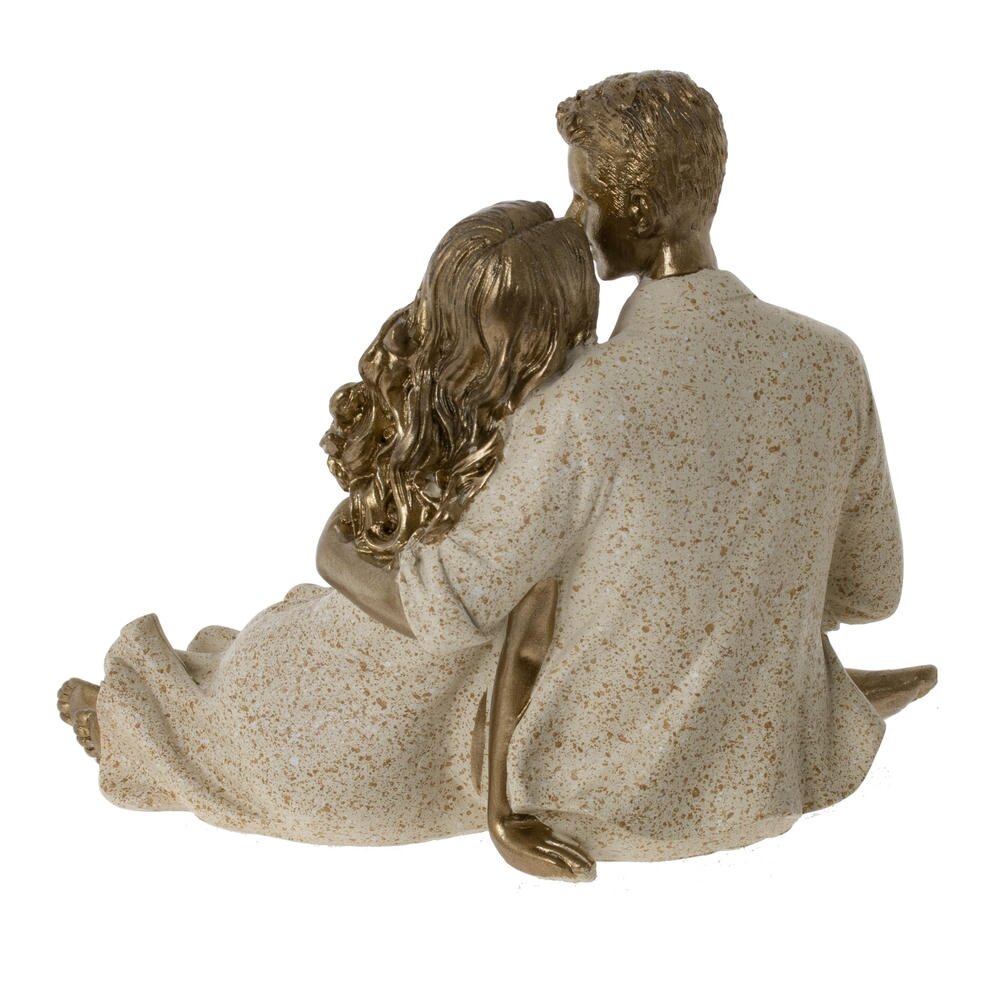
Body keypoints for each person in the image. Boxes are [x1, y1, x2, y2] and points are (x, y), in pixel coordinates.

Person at [317, 71, 937, 871]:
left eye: (584, 196)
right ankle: (814, 698)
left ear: (637, 212)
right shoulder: (831, 362)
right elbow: (870, 592)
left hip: (609, 794)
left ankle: (177, 715)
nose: (574, 218)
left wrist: (334, 550)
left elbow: (445, 609)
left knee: (340, 650)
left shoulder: (583, 405)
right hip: (773, 773)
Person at [57, 201, 602, 870]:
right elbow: (522, 644)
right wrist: (502, 815)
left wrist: (349, 557)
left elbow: (363, 559)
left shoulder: (474, 419)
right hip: (353, 700)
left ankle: (146, 716)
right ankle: (148, 716)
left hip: (344, 702)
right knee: (255, 708)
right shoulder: (559, 430)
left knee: (255, 716)